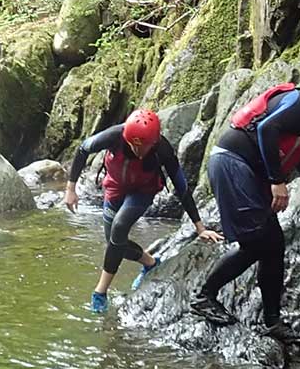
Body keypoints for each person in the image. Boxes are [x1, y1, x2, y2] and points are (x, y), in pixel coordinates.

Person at [185, 64, 300, 341]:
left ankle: (272, 322)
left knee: (273, 244)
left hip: (243, 167)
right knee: (257, 242)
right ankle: (203, 297)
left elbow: (294, 150)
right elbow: (267, 129)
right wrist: (276, 180)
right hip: (233, 163)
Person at [64, 109, 224, 313]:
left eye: (144, 147)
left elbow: (181, 187)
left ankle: (100, 292)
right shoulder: (115, 135)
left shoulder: (162, 149)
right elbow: (83, 150)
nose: (138, 152)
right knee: (113, 241)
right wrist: (70, 188)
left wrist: (200, 227)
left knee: (119, 228)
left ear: (154, 143)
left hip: (142, 193)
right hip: (114, 188)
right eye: (133, 146)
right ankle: (150, 262)